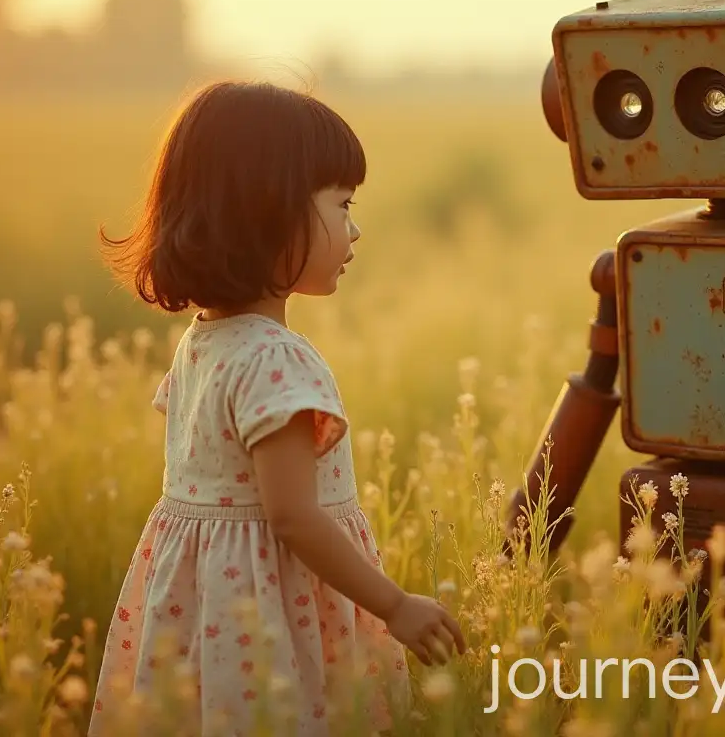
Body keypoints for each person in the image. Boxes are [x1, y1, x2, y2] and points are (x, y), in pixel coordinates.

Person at [87, 80, 466, 736]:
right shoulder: (274, 359)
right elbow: (292, 516)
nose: (355, 228)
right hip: (268, 623)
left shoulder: (203, 347)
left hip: (206, 618)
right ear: (269, 211)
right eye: (342, 205)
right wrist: (396, 605)